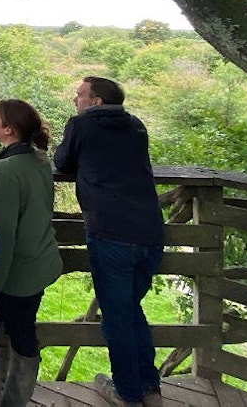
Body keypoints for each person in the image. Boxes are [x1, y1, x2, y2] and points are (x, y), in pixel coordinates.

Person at [54, 77, 165, 407]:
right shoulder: (137, 126)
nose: (75, 99)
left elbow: (62, 162)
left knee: (117, 318)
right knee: (132, 310)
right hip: (150, 233)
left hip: (111, 233)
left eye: (80, 95)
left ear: (97, 102)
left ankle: (127, 393)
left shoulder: (81, 125)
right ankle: (150, 388)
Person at [0, 99, 63, 406]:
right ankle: (15, 400)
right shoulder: (38, 161)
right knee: (23, 334)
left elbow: (1, 238)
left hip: (15, 276)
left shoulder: (6, 171)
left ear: (8, 129)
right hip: (38, 265)